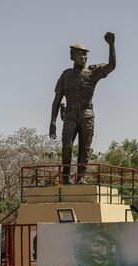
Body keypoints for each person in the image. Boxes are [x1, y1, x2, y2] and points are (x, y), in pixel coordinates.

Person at [49, 32, 116, 184]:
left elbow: (111, 66)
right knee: (66, 146)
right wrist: (52, 121)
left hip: (87, 114)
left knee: (84, 148)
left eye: (85, 55)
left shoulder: (92, 73)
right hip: (70, 115)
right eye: (80, 54)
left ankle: (81, 178)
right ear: (72, 56)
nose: (84, 57)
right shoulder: (65, 75)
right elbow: (56, 100)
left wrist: (111, 45)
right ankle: (65, 178)